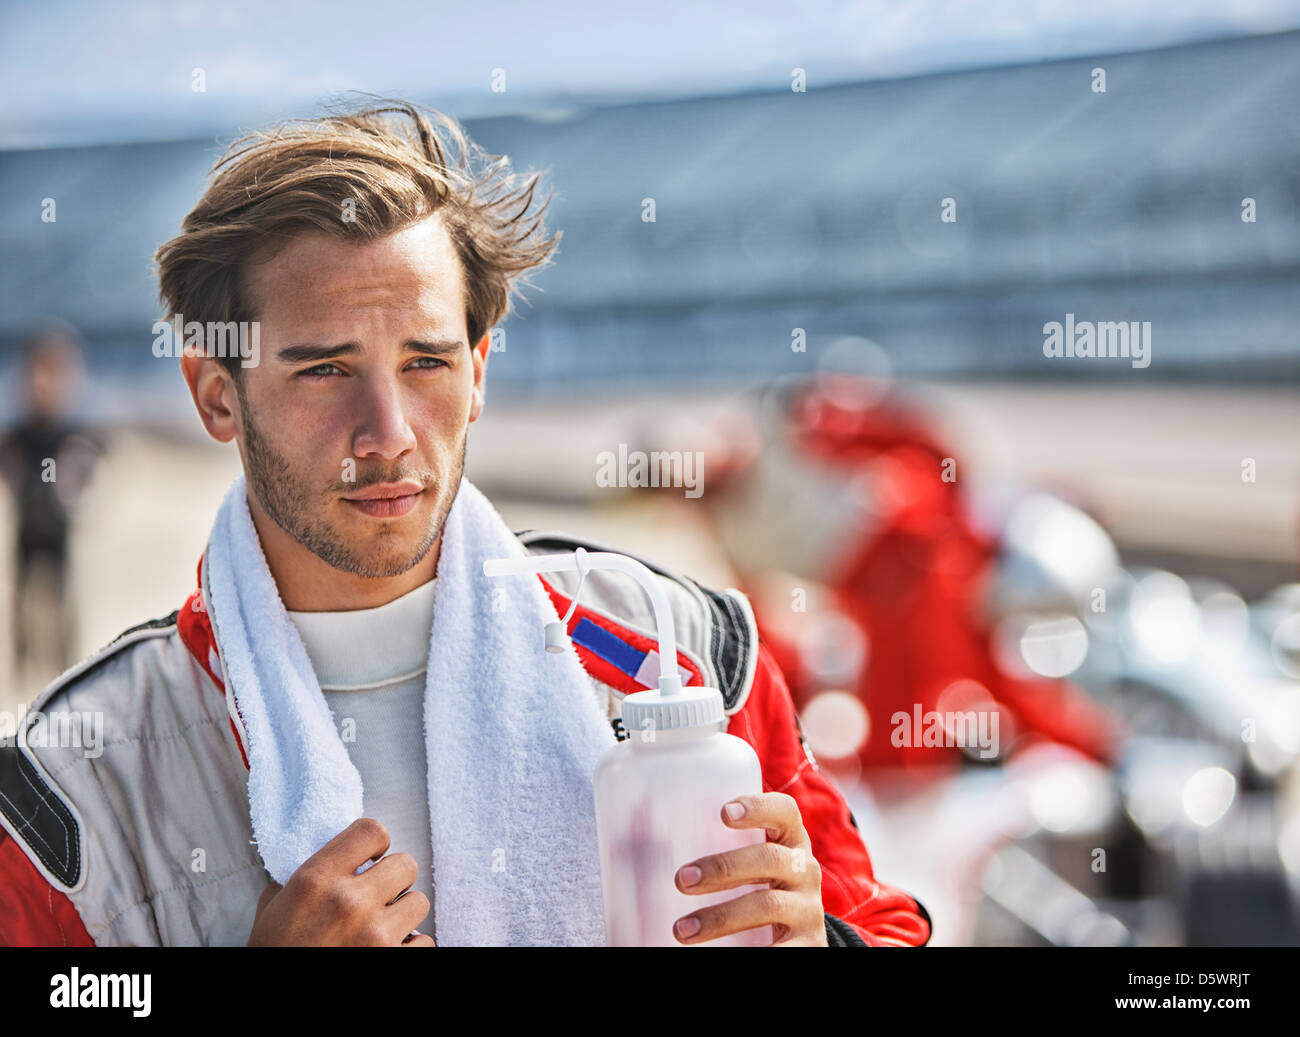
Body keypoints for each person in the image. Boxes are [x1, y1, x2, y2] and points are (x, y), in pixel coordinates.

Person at [0, 100, 931, 947]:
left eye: (427, 363)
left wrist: (824, 943)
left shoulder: (683, 650)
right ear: (216, 394)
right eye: (324, 369)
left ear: (479, 370)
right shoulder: (71, 783)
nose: (389, 434)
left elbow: (885, 923)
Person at [0, 323, 101, 677]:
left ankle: (65, 664)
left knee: (62, 600)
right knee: (21, 598)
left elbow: (93, 461)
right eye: (37, 376)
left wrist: (77, 478)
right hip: (27, 524)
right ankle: (21, 663)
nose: (43, 386)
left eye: (54, 376)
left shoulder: (70, 434)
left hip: (58, 526)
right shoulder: (20, 433)